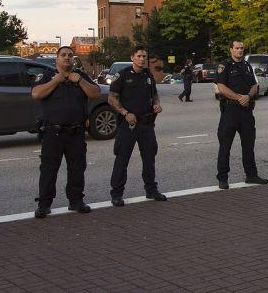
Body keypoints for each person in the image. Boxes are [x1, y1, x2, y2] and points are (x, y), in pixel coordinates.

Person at [31, 46, 101, 218]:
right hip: (53, 133)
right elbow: (36, 94)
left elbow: (95, 93)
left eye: (70, 55)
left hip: (75, 132)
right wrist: (57, 80)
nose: (67, 58)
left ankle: (76, 201)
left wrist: (80, 81)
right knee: (49, 169)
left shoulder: (81, 76)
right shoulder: (48, 76)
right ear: (57, 59)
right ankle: (44, 204)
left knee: (77, 169)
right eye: (63, 55)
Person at [107, 46, 168, 207]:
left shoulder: (148, 75)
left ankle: (151, 190)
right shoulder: (123, 75)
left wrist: (156, 105)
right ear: (132, 57)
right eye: (139, 56)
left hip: (146, 124)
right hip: (128, 125)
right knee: (122, 159)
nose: (142, 59)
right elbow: (112, 99)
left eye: (144, 56)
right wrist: (125, 113)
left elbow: (154, 95)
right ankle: (117, 194)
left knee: (149, 158)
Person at [215, 40, 268, 188]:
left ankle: (251, 175)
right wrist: (239, 98)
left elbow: (254, 85)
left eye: (242, 48)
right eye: (237, 48)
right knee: (225, 146)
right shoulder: (224, 66)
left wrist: (248, 97)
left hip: (246, 111)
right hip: (230, 111)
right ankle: (223, 178)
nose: (240, 50)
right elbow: (221, 87)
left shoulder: (246, 66)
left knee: (248, 145)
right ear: (231, 49)